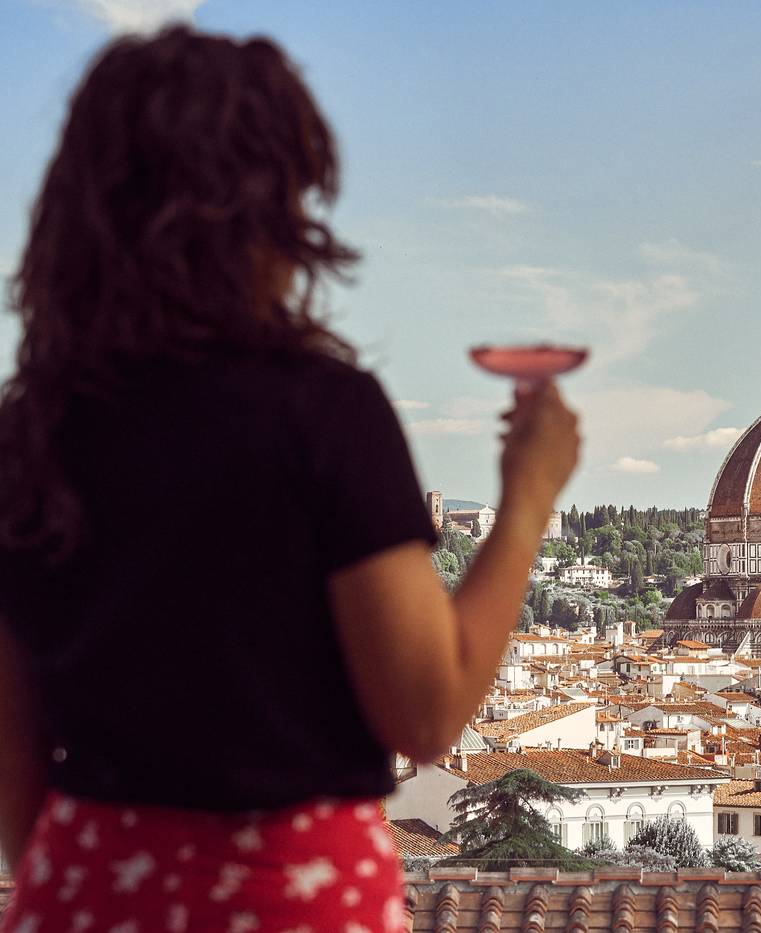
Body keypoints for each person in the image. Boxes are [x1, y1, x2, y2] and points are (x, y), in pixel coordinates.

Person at [0, 25, 579, 931]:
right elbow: (427, 711)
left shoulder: (29, 430)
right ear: (272, 209)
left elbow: (15, 740)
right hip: (293, 896)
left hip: (86, 889)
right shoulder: (323, 413)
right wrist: (529, 495)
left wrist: (105, 875)